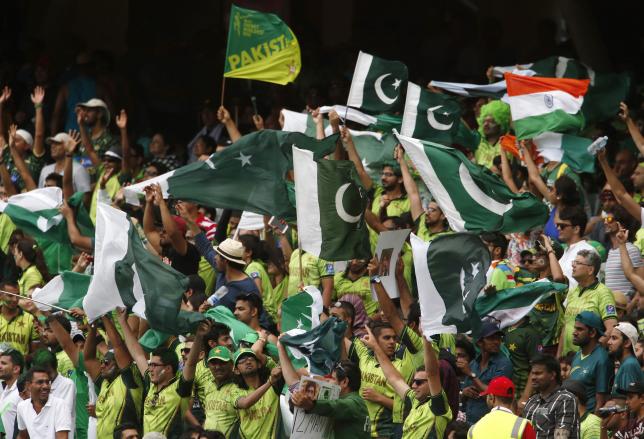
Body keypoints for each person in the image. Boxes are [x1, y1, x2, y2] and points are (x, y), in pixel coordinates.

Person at [118, 309, 205, 437]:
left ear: (168, 368)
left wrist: (199, 336)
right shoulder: (150, 383)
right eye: (150, 365)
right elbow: (137, 354)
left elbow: (191, 364)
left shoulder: (180, 389)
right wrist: (122, 322)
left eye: (154, 365)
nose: (150, 368)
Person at [361, 325, 453, 438]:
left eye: (419, 382)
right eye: (414, 381)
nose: (413, 386)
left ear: (432, 384)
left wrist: (426, 339)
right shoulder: (414, 400)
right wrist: (375, 347)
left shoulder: (438, 406)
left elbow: (432, 373)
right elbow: (393, 378)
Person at [85, 314, 143, 438]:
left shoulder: (129, 380)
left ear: (118, 364)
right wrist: (92, 328)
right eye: (101, 363)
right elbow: (89, 359)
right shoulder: (104, 383)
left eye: (106, 363)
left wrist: (104, 315)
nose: (102, 366)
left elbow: (118, 346)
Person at [290, 360, 370, 439]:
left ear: (345, 382)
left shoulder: (354, 403)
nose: (327, 381)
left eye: (332, 378)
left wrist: (310, 405)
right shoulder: (356, 402)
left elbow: (333, 407)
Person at [559, 249, 618, 357]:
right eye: (574, 262)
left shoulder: (603, 292)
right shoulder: (573, 291)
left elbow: (612, 327)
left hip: (587, 359)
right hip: (567, 359)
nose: (573, 266)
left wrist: (594, 353)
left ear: (590, 270)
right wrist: (559, 356)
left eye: (578, 263)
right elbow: (566, 326)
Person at [457, 321, 513, 425]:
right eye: (491, 338)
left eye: (498, 338)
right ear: (479, 342)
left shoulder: (504, 364)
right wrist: (465, 393)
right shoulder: (473, 364)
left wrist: (471, 375)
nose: (496, 342)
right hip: (469, 423)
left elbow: (496, 396)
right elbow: (463, 395)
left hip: (490, 425)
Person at [523, 354, 579, 439]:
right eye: (532, 373)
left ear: (552, 375)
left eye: (538, 373)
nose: (533, 377)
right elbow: (518, 433)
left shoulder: (565, 400)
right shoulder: (531, 401)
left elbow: (561, 437)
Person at [232, 348, 284, 439]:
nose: (248, 362)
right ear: (236, 370)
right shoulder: (234, 390)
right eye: (242, 360)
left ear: (259, 364)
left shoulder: (274, 386)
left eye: (251, 359)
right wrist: (269, 382)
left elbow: (283, 364)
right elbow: (245, 403)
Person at [569, 311, 613, 413]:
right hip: (573, 417)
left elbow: (601, 402)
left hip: (588, 419)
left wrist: (593, 424)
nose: (574, 332)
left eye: (579, 329)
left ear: (592, 333)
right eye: (575, 328)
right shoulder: (577, 354)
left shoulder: (602, 359)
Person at [468, 376, 536, 439]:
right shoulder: (523, 426)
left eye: (487, 396)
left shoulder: (473, 429)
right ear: (512, 399)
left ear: (492, 398)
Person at [16, 366, 73, 439]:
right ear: (28, 385)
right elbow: (22, 435)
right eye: (40, 382)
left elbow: (62, 437)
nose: (45, 386)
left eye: (47, 382)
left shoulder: (60, 405)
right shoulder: (22, 407)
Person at [201, 345, 241, 436]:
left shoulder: (239, 386)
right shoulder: (208, 386)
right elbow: (209, 416)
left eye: (222, 362)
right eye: (213, 363)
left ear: (232, 364)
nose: (217, 367)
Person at [556, 205, 597, 289]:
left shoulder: (588, 251)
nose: (558, 228)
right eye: (557, 225)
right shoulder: (564, 252)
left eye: (562, 226)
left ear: (576, 229)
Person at [0, 282, 39, 355]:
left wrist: (23, 360)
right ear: (0, 296)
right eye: (10, 296)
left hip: (21, 366)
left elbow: (35, 352)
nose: (15, 299)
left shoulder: (30, 319)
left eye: (17, 295)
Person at [607, 322, 644, 394]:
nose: (608, 342)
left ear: (627, 343)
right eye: (610, 338)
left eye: (614, 338)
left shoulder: (629, 365)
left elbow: (627, 402)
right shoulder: (626, 363)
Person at [0, 348, 25, 439]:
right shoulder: (5, 390)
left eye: (4, 363)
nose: (0, 366)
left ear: (16, 369)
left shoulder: (22, 393)